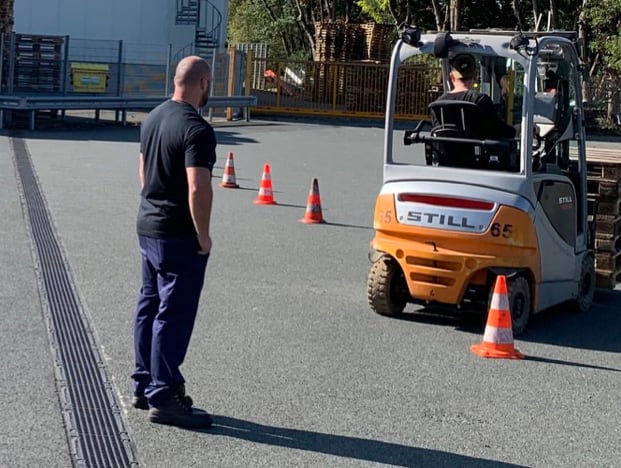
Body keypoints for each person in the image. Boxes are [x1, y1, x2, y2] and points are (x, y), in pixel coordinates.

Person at [131, 55, 216, 429]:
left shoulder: (154, 117)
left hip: (149, 225)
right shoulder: (196, 128)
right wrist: (203, 234)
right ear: (202, 84)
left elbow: (143, 169)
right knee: (173, 312)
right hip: (179, 234)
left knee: (149, 304)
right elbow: (198, 185)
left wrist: (155, 202)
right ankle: (164, 396)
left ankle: (144, 383)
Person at [432, 53, 516, 139]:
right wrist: (516, 130)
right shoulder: (480, 100)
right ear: (475, 75)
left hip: (445, 152)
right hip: (473, 152)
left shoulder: (438, 104)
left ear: (452, 77)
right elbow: (498, 131)